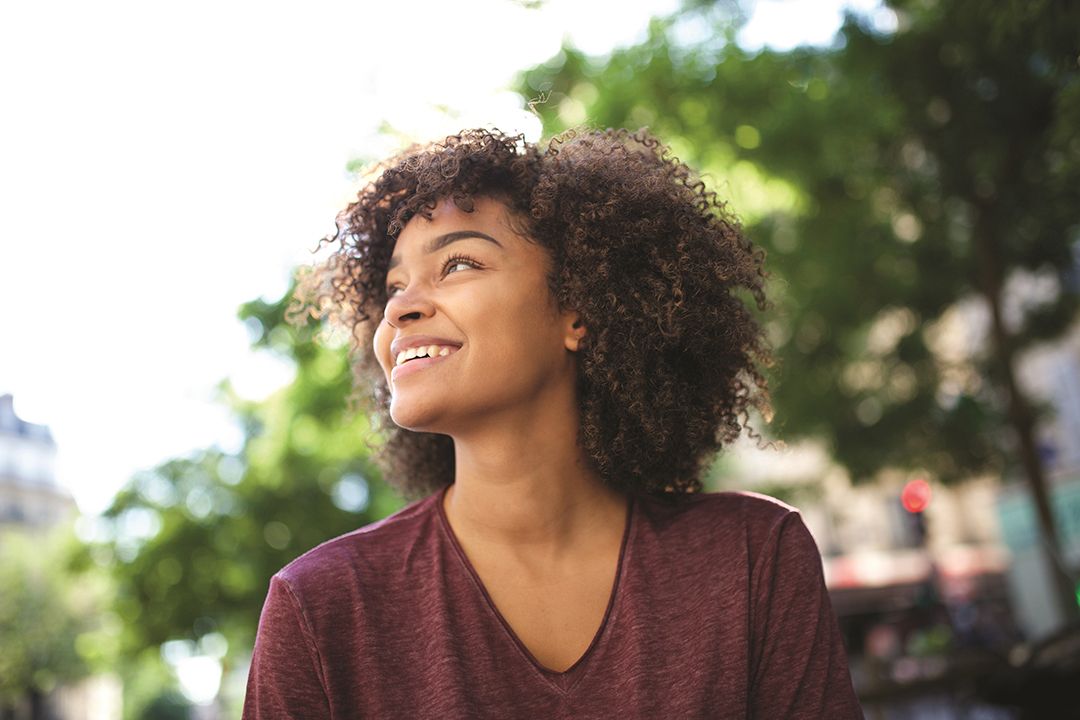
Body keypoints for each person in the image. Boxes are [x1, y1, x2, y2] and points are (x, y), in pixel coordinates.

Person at [242, 128, 862, 718]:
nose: (401, 307)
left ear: (579, 308)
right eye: (393, 286)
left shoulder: (751, 557)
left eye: (458, 264)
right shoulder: (321, 608)